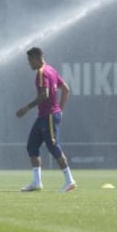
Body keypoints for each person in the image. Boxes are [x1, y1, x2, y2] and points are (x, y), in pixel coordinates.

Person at [16, 47, 76, 192]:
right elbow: (66, 89)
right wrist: (60, 109)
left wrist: (26, 108)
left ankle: (69, 181)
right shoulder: (51, 70)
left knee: (53, 147)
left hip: (48, 116)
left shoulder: (42, 72)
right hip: (44, 116)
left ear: (37, 58)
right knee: (32, 146)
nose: (29, 64)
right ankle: (37, 182)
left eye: (30, 61)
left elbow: (45, 95)